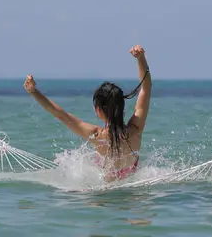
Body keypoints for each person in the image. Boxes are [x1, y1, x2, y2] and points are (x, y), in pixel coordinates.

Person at [23, 45, 152, 182]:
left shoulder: (97, 136)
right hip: (130, 191)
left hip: (103, 192)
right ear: (121, 107)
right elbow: (146, 87)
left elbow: (61, 115)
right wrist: (141, 58)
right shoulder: (136, 129)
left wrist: (34, 92)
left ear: (98, 110)